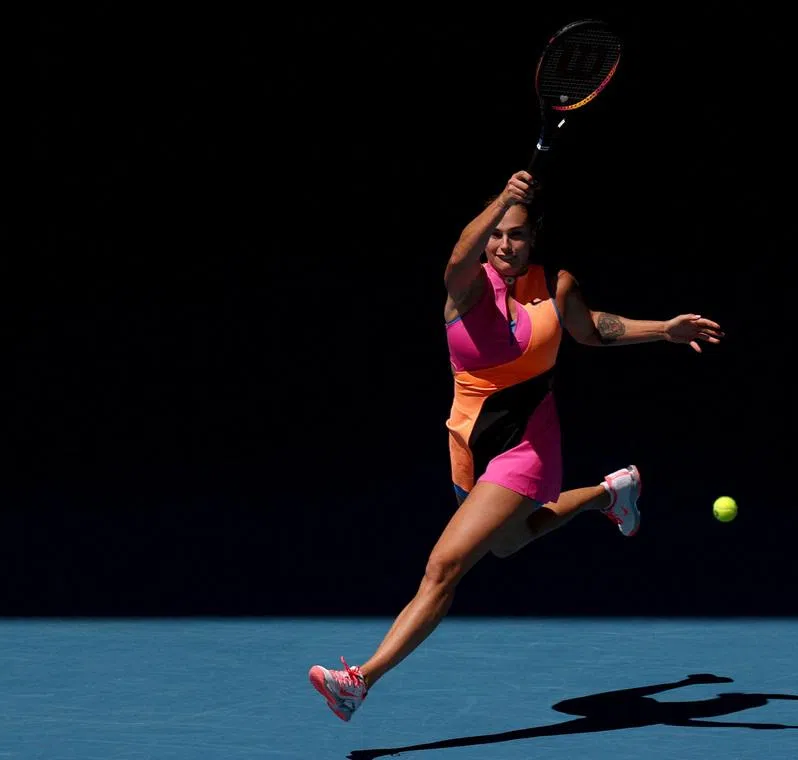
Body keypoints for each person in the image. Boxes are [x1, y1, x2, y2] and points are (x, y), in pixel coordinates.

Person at [308, 169, 724, 722]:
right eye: (497, 234)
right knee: (508, 542)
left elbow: (593, 328)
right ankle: (610, 493)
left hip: (527, 445)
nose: (506, 244)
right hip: (468, 445)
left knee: (444, 567)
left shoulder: (557, 286)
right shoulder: (467, 287)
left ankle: (359, 681)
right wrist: (505, 197)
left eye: (518, 234)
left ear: (534, 237)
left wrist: (663, 330)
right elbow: (457, 256)